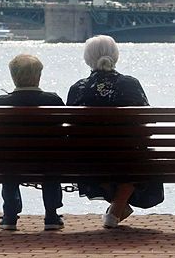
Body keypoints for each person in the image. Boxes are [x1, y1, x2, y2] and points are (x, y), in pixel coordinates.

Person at [66, 35, 164, 228]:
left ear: (88, 59)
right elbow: (146, 124)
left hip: (88, 161)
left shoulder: (78, 88)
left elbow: (71, 131)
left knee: (94, 156)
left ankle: (117, 206)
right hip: (128, 160)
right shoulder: (130, 84)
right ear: (116, 56)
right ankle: (118, 205)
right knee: (138, 155)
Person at [0, 54, 65, 231]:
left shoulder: (0, 103)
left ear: (13, 76)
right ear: (39, 76)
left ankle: (9, 215)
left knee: (8, 161)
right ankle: (52, 215)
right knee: (51, 161)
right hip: (47, 162)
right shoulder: (53, 101)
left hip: (11, 162)